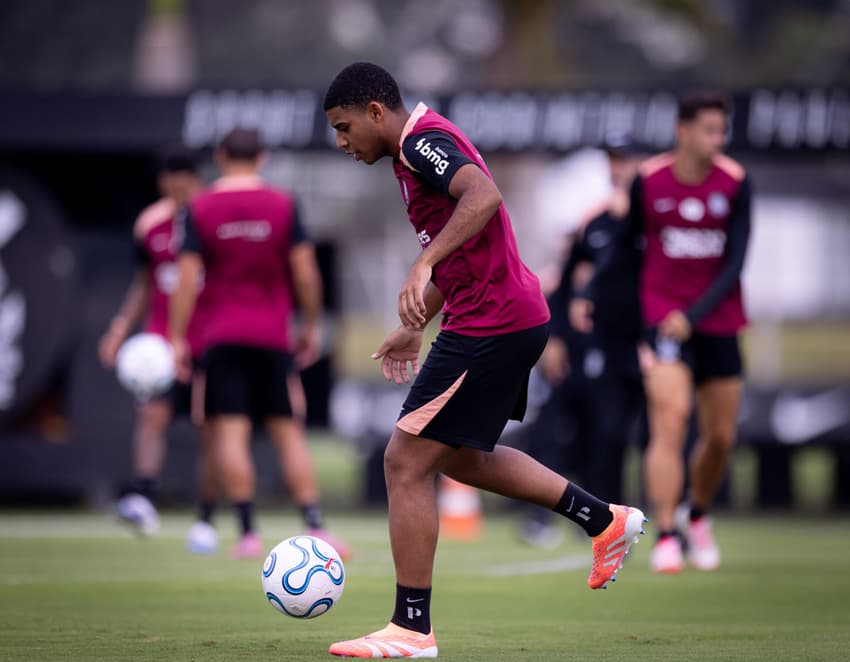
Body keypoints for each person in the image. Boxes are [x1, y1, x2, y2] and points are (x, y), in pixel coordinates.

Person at [323, 62, 645, 659]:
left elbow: (483, 195)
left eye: (344, 128)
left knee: (403, 462)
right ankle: (603, 519)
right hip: (504, 315)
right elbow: (466, 250)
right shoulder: (412, 151)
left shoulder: (419, 143)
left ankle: (411, 629)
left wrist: (422, 264)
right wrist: (413, 324)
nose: (342, 142)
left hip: (491, 321)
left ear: (375, 112)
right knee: (463, 458)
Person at [573, 92, 752, 574]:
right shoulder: (650, 180)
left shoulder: (735, 182)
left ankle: (699, 513)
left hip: (718, 323)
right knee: (669, 421)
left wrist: (694, 315)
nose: (717, 139)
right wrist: (591, 291)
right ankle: (668, 533)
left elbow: (735, 262)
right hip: (663, 321)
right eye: (709, 130)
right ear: (683, 131)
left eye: (722, 130)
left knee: (719, 437)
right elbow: (625, 245)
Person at [169, 127, 350, 561]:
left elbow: (186, 279)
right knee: (288, 432)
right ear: (262, 157)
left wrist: (176, 337)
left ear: (220, 156)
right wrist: (310, 324)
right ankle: (315, 525)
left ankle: (248, 533)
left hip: (221, 337)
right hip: (272, 337)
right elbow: (306, 273)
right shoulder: (282, 204)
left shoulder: (201, 206)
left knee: (231, 433)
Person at [520, 134, 648, 547]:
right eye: (613, 160)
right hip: (580, 347)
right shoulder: (594, 222)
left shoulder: (652, 219)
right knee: (553, 429)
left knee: (614, 434)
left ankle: (629, 520)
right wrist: (556, 337)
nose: (617, 168)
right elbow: (565, 281)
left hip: (632, 346)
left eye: (624, 159)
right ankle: (548, 520)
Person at [99, 145, 220, 551]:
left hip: (207, 341)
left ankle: (205, 518)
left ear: (195, 179)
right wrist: (119, 328)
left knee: (209, 428)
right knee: (151, 416)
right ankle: (144, 498)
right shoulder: (150, 223)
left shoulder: (212, 217)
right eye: (168, 186)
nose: (176, 192)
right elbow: (143, 284)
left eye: (182, 185)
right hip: (160, 345)